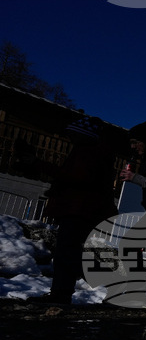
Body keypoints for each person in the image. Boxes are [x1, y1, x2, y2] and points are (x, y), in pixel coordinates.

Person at [30, 116, 118, 304]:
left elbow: (77, 178)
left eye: (72, 135)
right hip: (83, 208)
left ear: (82, 135)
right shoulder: (96, 151)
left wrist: (40, 164)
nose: (69, 138)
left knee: (68, 252)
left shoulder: (88, 152)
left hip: (80, 208)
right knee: (66, 251)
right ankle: (61, 293)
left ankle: (113, 279)